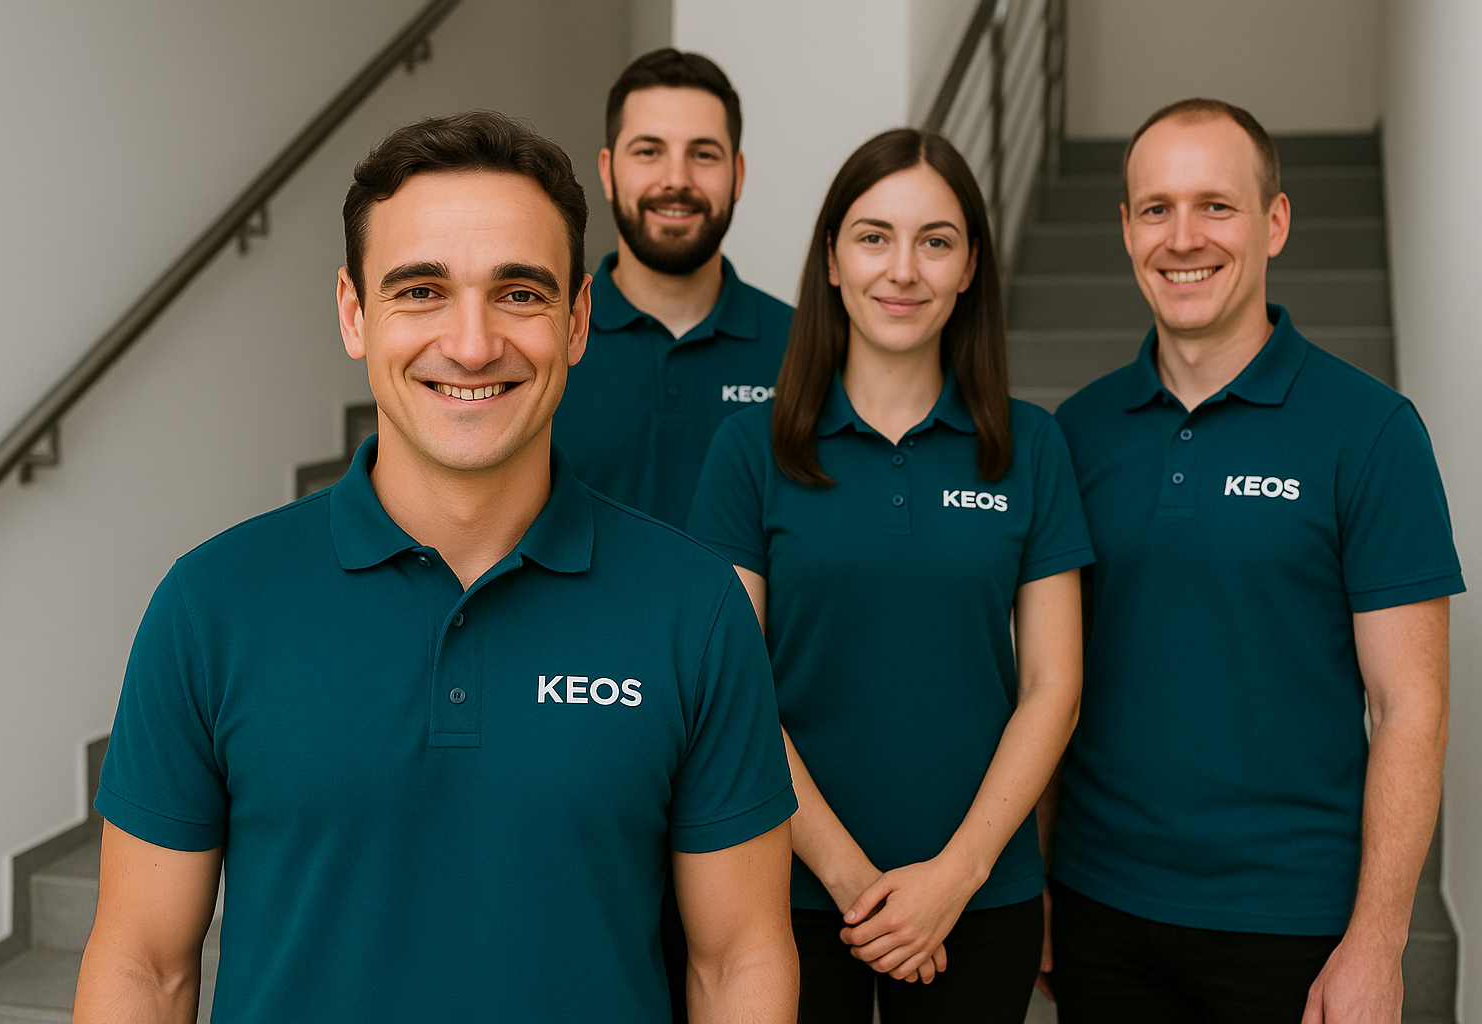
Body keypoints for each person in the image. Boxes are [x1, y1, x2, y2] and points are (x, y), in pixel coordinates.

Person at [71, 111, 800, 1024]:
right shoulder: (211, 605)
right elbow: (144, 964)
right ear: (352, 313)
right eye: (420, 291)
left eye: (520, 294)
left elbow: (737, 963)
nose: (470, 342)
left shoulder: (694, 608)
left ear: (578, 322)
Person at [1045, 98, 1464, 1024]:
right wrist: (1037, 880)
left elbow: (1411, 708)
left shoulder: (1371, 432)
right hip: (1098, 909)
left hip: (1294, 923)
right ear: (1124, 230)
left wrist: (1379, 940)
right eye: (1155, 208)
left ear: (1275, 221)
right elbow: (1052, 688)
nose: (1182, 237)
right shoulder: (1073, 434)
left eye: (1216, 206)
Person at [687, 128, 1090, 1024]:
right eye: (873, 236)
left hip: (978, 898)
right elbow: (733, 690)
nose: (902, 269)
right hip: (783, 889)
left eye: (935, 241)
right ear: (831, 260)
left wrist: (956, 874)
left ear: (970, 266)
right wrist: (854, 880)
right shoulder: (751, 453)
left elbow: (1053, 688)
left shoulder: (1033, 447)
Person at [552, 48, 793, 530]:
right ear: (607, 170)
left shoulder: (806, 347)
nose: (676, 180)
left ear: (738, 175)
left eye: (703, 154)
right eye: (648, 152)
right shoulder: (544, 338)